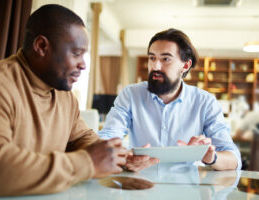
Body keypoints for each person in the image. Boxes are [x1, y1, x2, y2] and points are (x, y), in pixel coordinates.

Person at [0, 4, 130, 197]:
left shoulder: (64, 95)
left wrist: (117, 157)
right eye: (76, 53)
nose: (83, 65)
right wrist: (87, 163)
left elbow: (81, 139)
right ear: (41, 46)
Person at [99, 28, 241, 171]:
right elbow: (109, 136)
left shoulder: (205, 102)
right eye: (152, 58)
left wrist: (211, 157)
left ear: (185, 65)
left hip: (185, 188)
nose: (155, 66)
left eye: (165, 59)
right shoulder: (130, 94)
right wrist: (123, 157)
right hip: (140, 185)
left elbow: (233, 159)